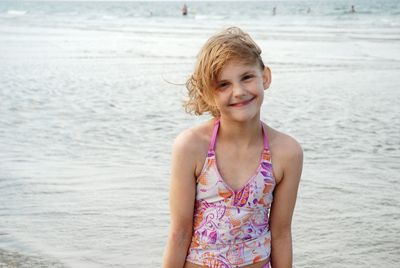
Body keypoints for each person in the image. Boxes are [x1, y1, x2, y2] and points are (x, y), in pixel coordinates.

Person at [163, 27, 303, 268]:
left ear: (265, 77)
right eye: (223, 85)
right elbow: (180, 233)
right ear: (207, 94)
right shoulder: (191, 147)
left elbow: (281, 233)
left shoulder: (287, 152)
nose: (238, 92)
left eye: (247, 77)